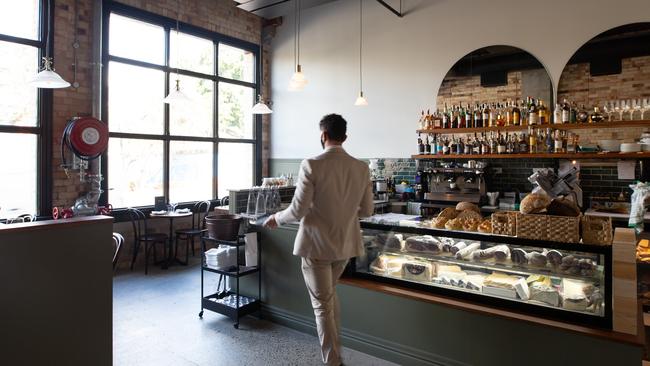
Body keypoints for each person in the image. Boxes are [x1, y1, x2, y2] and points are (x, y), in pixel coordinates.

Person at [263, 113, 374, 366]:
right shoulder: (361, 167)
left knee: (322, 305)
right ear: (344, 137)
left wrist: (276, 218)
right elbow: (367, 211)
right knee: (329, 297)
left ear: (323, 135)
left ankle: (333, 361)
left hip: (316, 246)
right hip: (345, 246)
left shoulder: (311, 164)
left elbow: (298, 210)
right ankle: (335, 355)